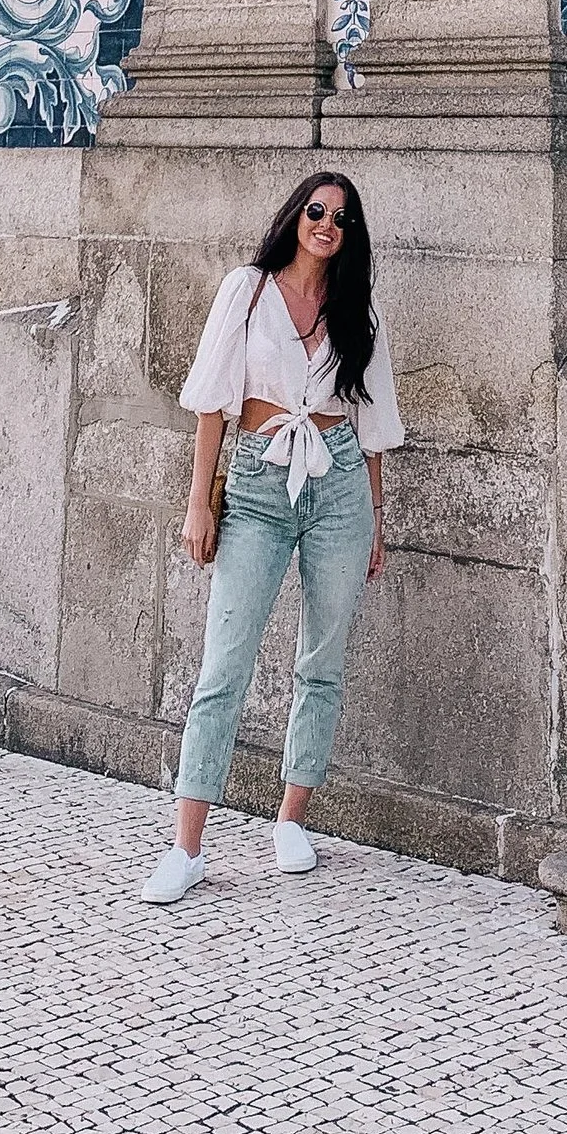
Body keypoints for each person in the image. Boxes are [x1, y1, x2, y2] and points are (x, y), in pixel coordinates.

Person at [141, 170, 403, 902]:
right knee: (223, 667)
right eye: (317, 210)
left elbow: (373, 425)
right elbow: (212, 408)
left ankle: (291, 817)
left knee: (321, 659)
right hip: (258, 481)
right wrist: (200, 504)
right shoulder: (247, 290)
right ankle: (186, 847)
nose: (326, 223)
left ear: (350, 236)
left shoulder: (359, 310)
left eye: (340, 218)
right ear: (296, 216)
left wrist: (376, 520)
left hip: (339, 481)